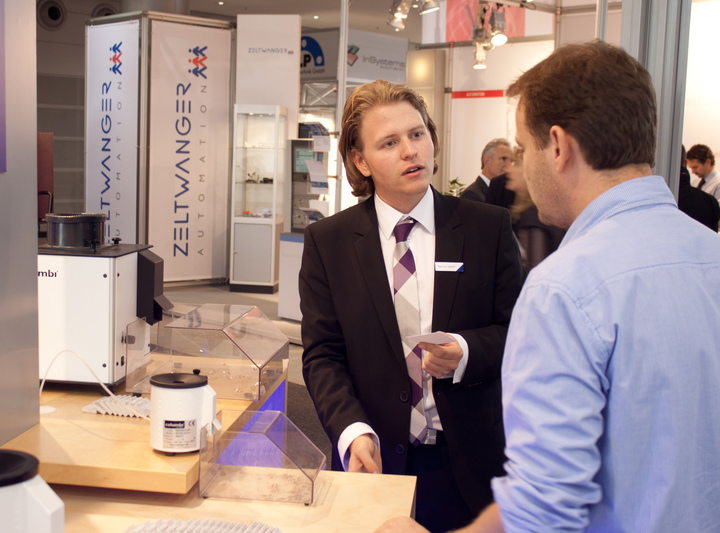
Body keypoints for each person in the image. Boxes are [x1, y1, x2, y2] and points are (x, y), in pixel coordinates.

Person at [376, 40, 720, 533]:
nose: (519, 166)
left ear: (557, 146)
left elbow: (543, 511)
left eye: (522, 148)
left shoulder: (565, 290)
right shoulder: (710, 254)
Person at [299, 80, 525, 533]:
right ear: (360, 161)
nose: (410, 151)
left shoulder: (487, 228)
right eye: (389, 142)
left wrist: (466, 351)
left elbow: (520, 332)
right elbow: (323, 355)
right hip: (375, 461)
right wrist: (351, 430)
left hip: (468, 467)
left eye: (417, 134)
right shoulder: (329, 241)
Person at [504, 147, 565, 269]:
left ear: (530, 170)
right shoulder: (538, 210)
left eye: (516, 164)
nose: (508, 169)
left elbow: (535, 268)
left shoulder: (534, 215)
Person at [678, 145, 720, 231]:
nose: (693, 172)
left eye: (695, 167)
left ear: (708, 162)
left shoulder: (718, 184)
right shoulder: (696, 181)